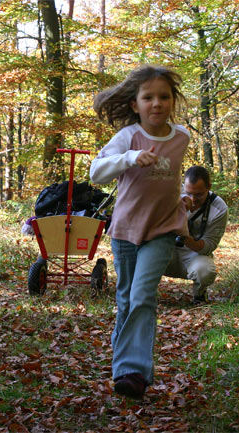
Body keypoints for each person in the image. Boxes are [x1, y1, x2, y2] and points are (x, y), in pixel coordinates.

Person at [90, 65, 189, 400]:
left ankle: (133, 372)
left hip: (163, 229)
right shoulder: (128, 137)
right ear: (135, 104)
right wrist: (129, 158)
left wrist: (183, 198)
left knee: (142, 296)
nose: (156, 104)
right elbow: (96, 172)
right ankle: (123, 368)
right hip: (126, 230)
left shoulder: (181, 137)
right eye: (148, 98)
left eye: (163, 97)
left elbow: (171, 179)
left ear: (172, 101)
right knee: (126, 299)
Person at [164, 166, 228, 303]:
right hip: (166, 249)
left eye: (198, 195)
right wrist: (177, 212)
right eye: (189, 193)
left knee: (205, 270)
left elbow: (208, 246)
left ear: (209, 187)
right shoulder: (171, 195)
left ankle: (199, 295)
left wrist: (183, 234)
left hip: (193, 255)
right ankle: (147, 294)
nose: (193, 199)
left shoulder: (219, 209)